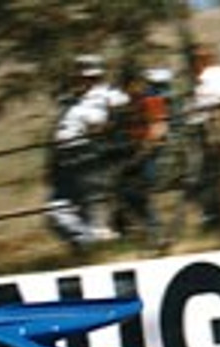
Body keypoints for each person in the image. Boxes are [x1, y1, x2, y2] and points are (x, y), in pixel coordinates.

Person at [46, 55, 128, 251]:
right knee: (56, 210)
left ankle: (97, 246)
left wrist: (105, 127)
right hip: (65, 159)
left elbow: (119, 116)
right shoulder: (73, 99)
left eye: (86, 76)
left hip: (86, 156)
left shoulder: (109, 95)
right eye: (79, 77)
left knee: (88, 208)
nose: (81, 81)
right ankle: (89, 242)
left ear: (96, 76)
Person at [110, 64, 170, 249]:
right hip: (136, 155)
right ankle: (139, 232)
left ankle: (155, 234)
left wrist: (143, 152)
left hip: (151, 155)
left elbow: (159, 129)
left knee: (136, 193)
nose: (127, 91)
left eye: (128, 86)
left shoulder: (151, 101)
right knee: (124, 191)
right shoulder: (130, 106)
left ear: (136, 84)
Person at [188, 43, 220, 235]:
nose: (196, 63)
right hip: (209, 126)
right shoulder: (206, 78)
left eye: (199, 58)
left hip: (217, 125)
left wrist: (206, 115)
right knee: (217, 173)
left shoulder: (217, 77)